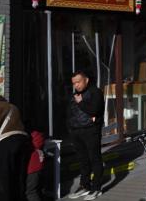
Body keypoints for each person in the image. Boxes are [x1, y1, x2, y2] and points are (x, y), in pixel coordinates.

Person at [66, 71, 105, 200]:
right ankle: (84, 185)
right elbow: (70, 112)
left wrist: (81, 102)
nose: (76, 85)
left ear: (86, 80)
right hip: (76, 131)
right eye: (74, 83)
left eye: (78, 82)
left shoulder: (96, 92)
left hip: (91, 130)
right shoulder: (76, 94)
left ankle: (96, 188)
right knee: (83, 160)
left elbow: (94, 110)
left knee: (95, 159)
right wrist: (70, 128)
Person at [0, 95, 29, 201]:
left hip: (7, 141)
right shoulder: (13, 107)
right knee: (19, 177)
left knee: (5, 178)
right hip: (22, 140)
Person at [25, 129, 45, 201]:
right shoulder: (34, 134)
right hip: (35, 167)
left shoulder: (30, 135)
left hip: (32, 168)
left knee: (31, 192)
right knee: (36, 190)